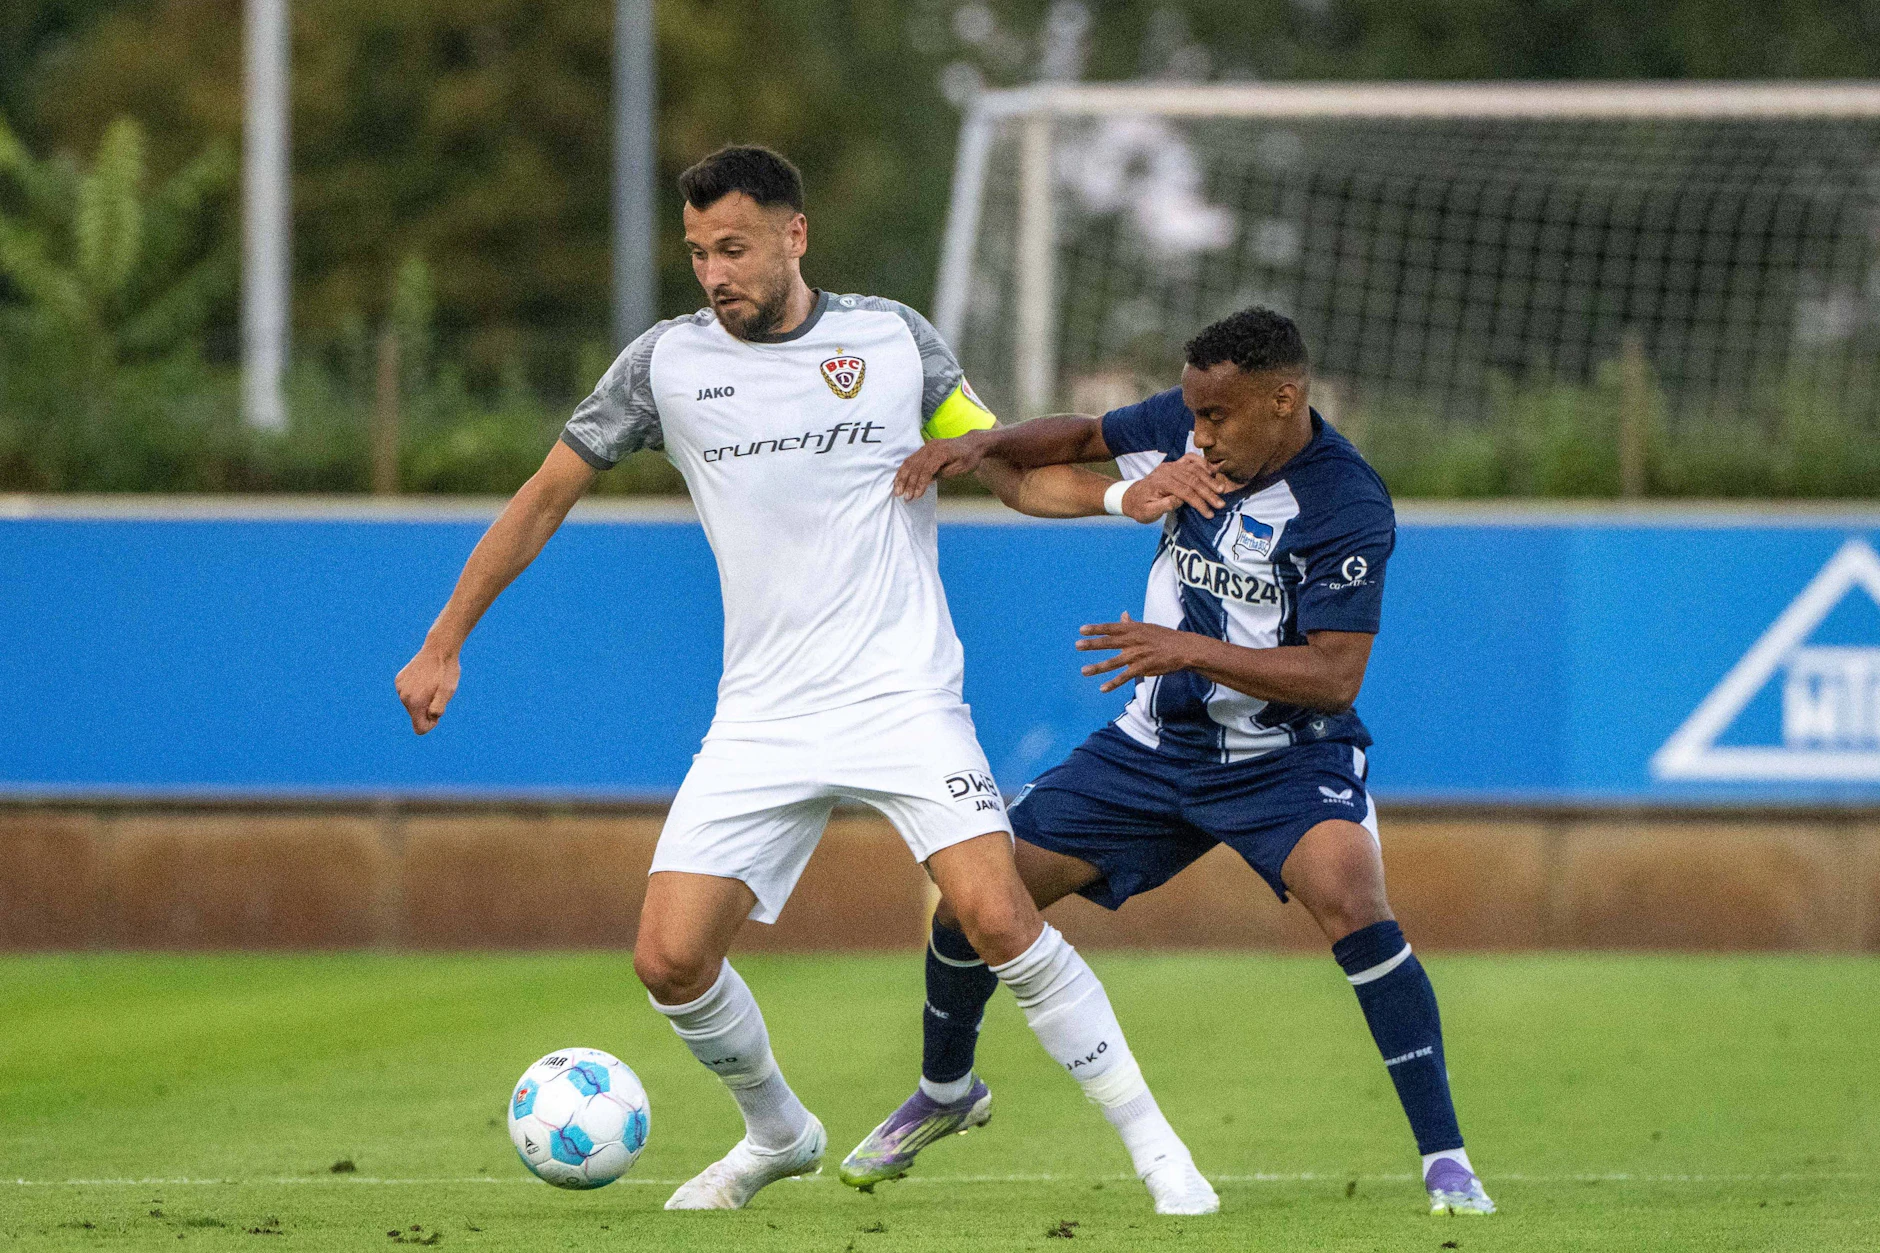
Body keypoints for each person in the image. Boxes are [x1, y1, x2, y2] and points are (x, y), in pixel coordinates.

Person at [393, 144, 1217, 1215]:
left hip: (901, 697)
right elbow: (543, 495)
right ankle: (779, 1130)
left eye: (731, 247)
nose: (712, 272)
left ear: (795, 235)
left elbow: (1006, 466)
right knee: (667, 958)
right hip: (763, 714)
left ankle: (1160, 1153)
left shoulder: (891, 340)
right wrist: (444, 638)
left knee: (997, 918)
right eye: (696, 253)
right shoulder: (663, 366)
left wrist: (1119, 498)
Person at [837, 307, 1497, 1217]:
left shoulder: (1346, 503)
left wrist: (1188, 650)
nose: (1199, 434)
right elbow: (1075, 438)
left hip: (1283, 758)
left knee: (1352, 892)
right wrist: (982, 443)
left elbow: (1335, 676)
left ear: (1283, 399)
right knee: (974, 900)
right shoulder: (1189, 430)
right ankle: (946, 1090)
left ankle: (1446, 1160)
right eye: (1192, 413)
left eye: (1219, 417)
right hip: (1150, 750)